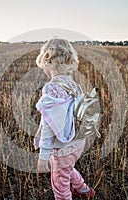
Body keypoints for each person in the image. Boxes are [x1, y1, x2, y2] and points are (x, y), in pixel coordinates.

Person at [34, 37, 96, 199]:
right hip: (77, 142)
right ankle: (83, 190)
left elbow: (48, 124)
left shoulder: (51, 88)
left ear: (46, 62)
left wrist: (44, 154)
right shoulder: (74, 84)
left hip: (63, 145)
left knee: (59, 182)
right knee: (67, 167)